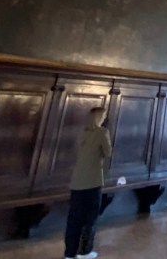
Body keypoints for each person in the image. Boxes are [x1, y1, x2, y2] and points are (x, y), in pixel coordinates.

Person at [64, 105, 112, 259]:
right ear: (100, 117)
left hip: (77, 181)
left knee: (74, 219)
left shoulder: (82, 133)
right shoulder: (102, 132)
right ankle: (85, 251)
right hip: (93, 180)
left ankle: (69, 253)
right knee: (90, 218)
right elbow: (108, 152)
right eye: (103, 116)